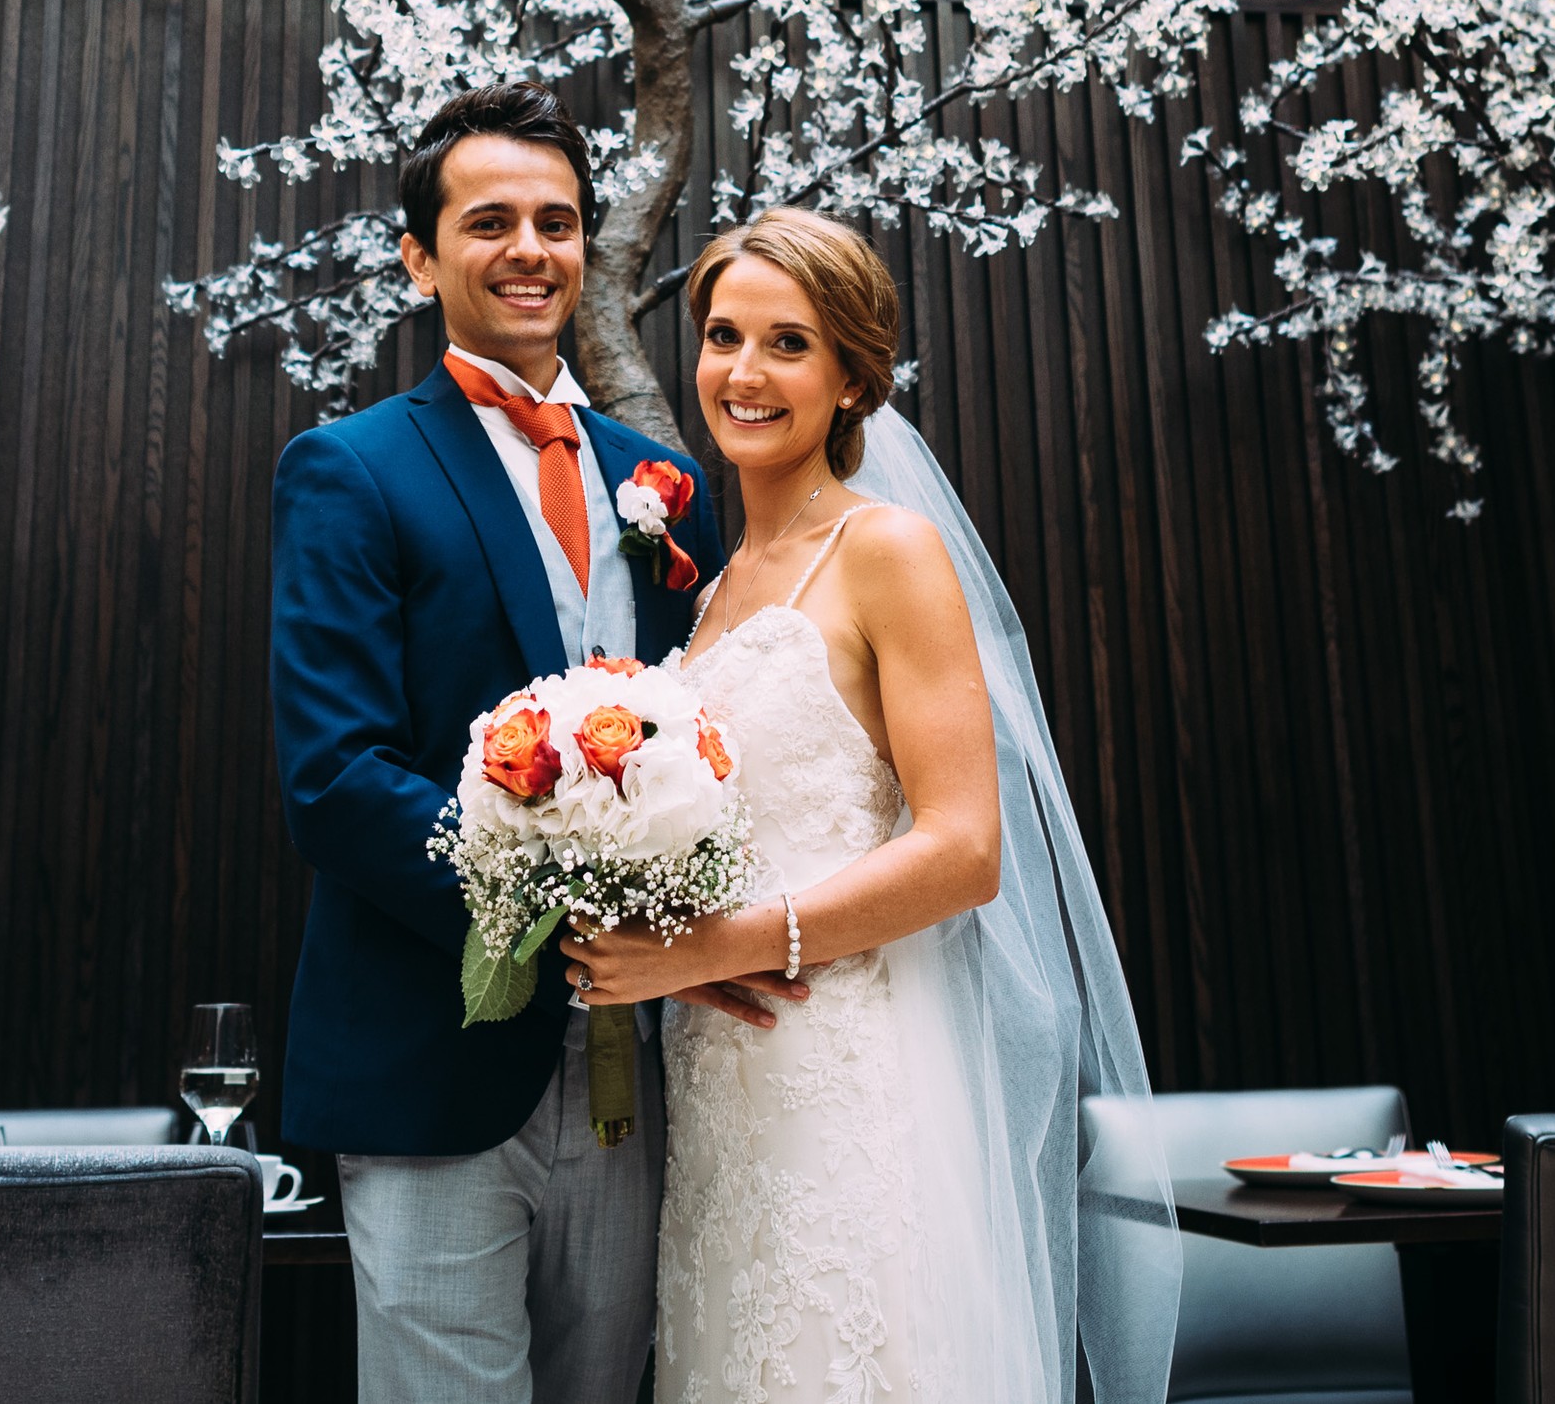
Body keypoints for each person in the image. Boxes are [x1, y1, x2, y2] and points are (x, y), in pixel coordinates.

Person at [563, 207, 1180, 1404]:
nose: (743, 373)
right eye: (724, 336)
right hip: (721, 1087)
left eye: (787, 344)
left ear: (852, 376)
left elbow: (963, 848)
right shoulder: (717, 582)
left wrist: (724, 943)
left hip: (844, 1067)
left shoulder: (886, 547)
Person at [269, 82, 780, 1404]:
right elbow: (334, 774)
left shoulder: (660, 481)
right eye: (487, 218)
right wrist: (545, 920)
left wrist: (678, 918)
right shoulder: (351, 468)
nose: (528, 246)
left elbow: (712, 733)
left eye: (557, 219)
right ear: (418, 254)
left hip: (634, 1073)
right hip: (431, 1053)